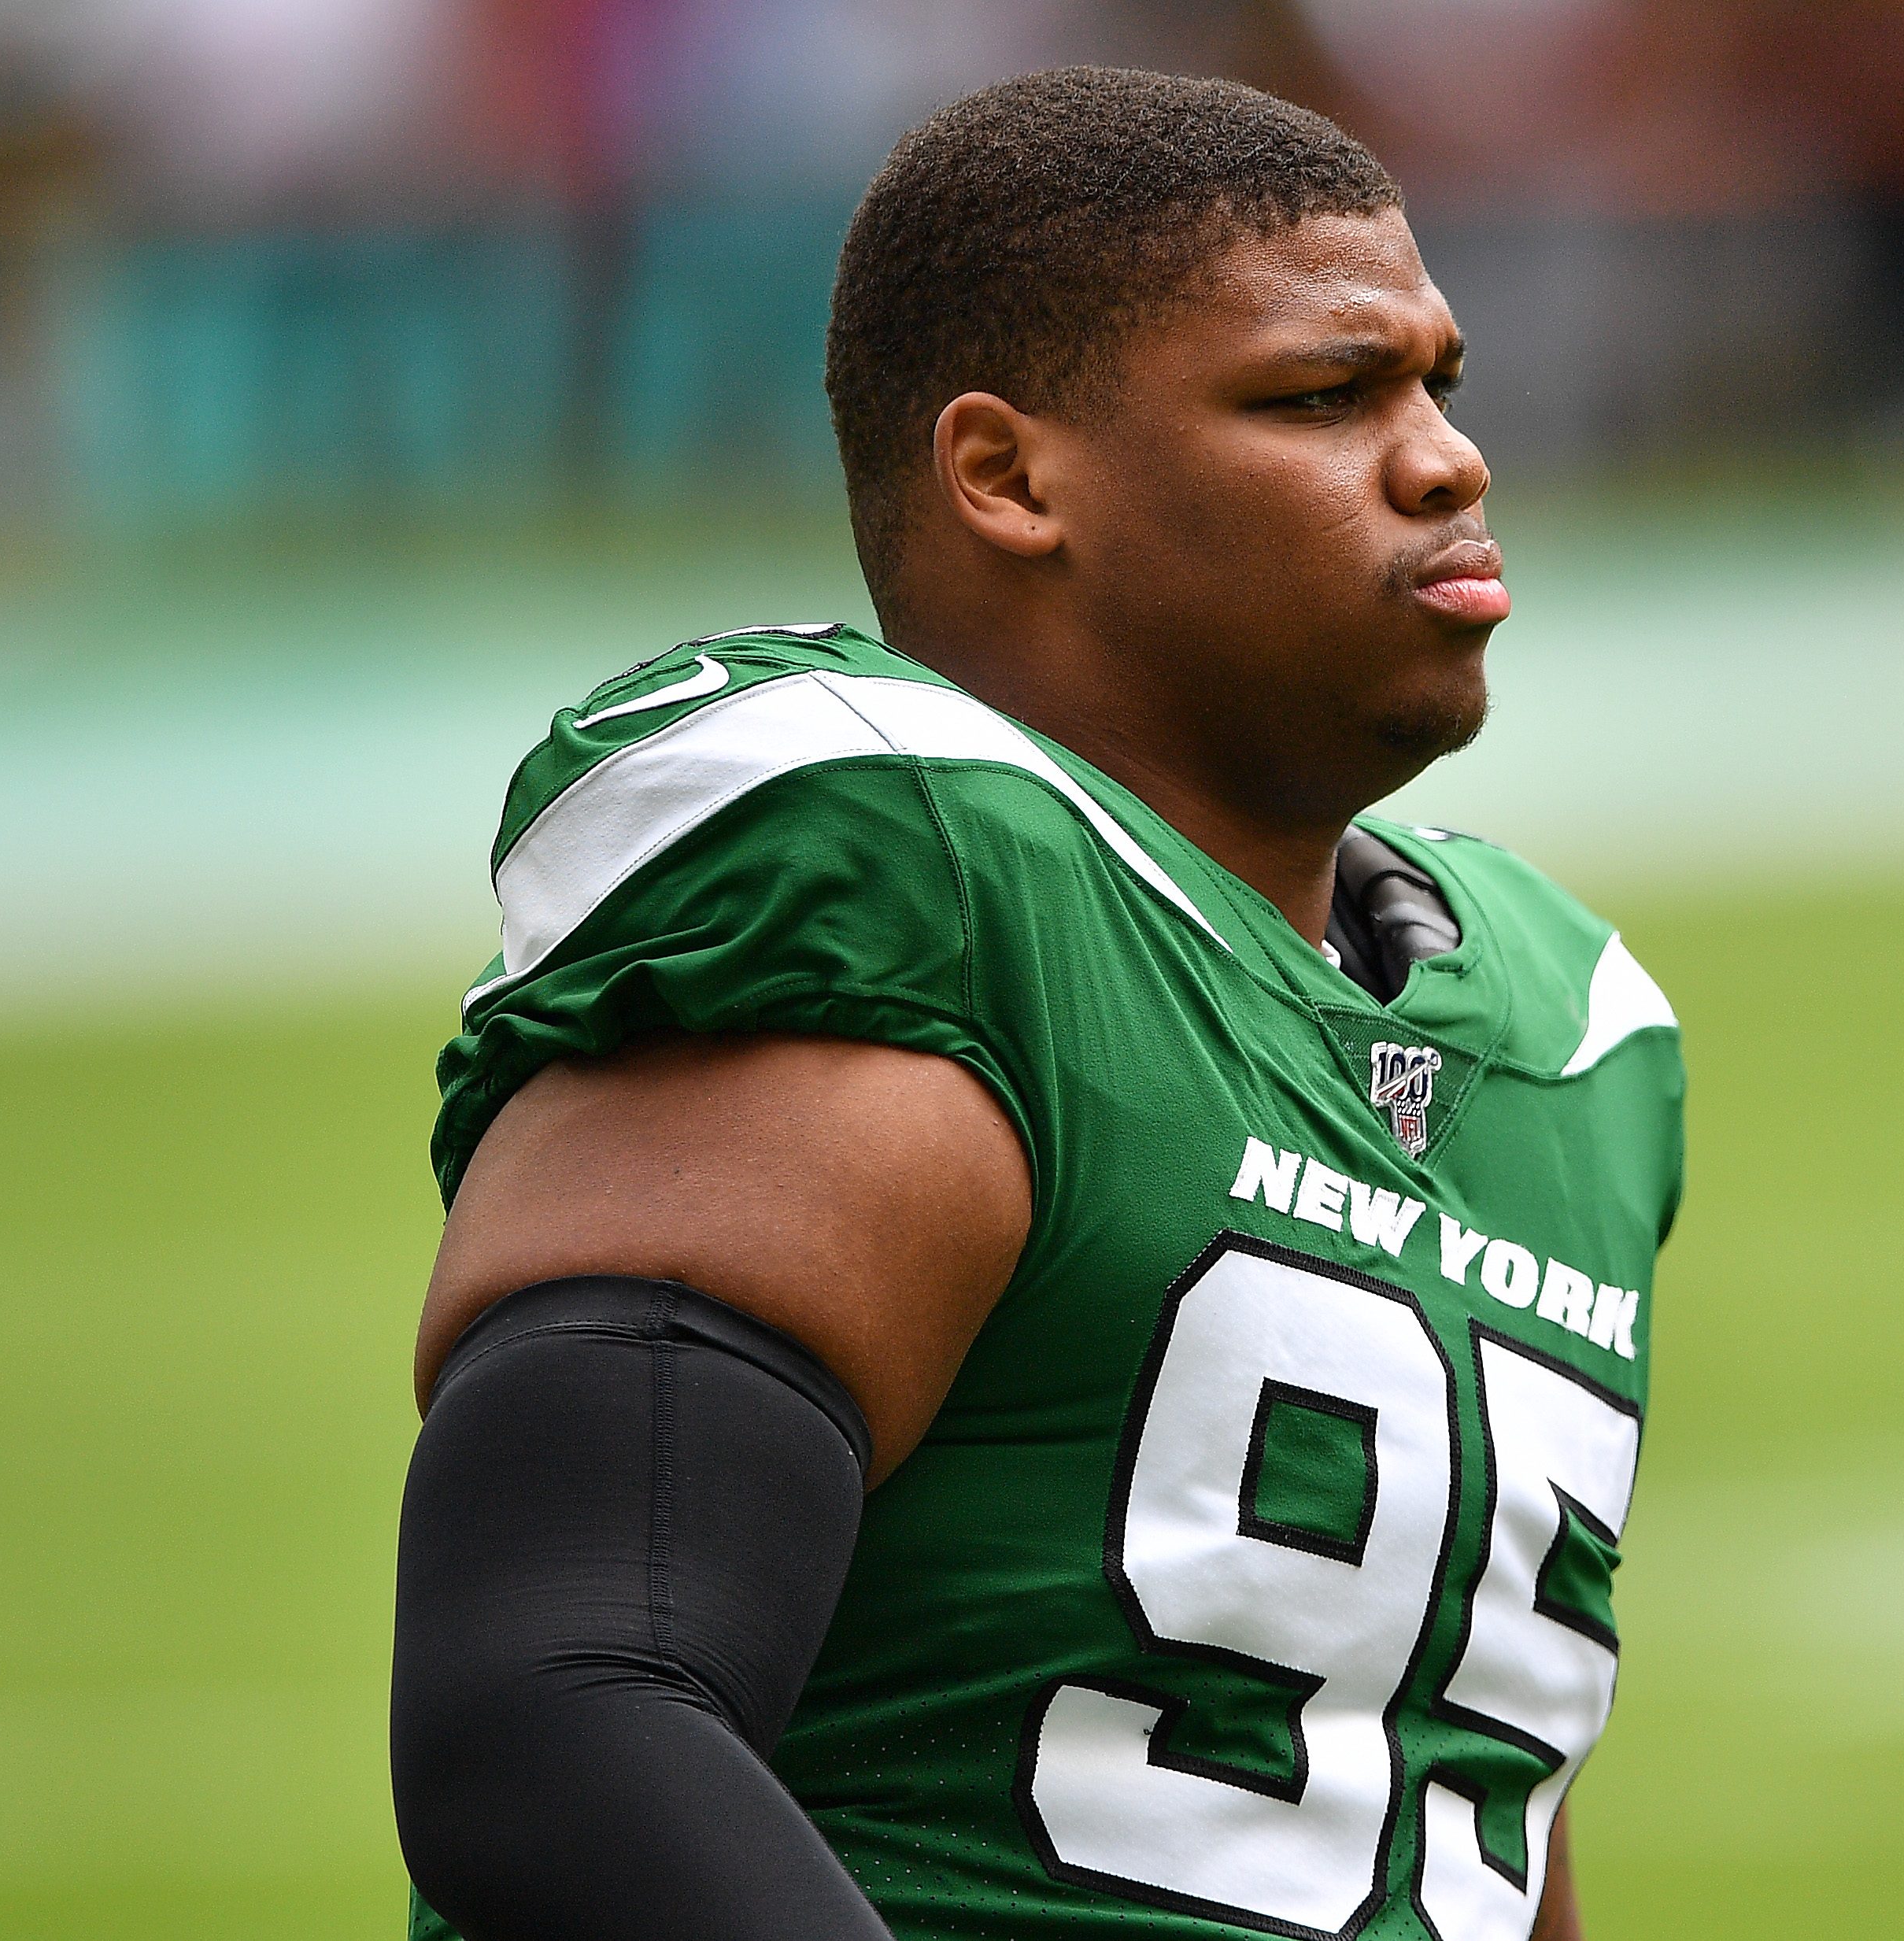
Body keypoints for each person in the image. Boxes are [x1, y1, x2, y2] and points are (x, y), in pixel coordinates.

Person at [389, 68, 1685, 1941]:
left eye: (1436, 387)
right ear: (1008, 476)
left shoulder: (1573, 1040)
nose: (1442, 461)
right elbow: (563, 1725)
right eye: (1322, 396)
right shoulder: (910, 875)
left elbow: (1437, 1807)